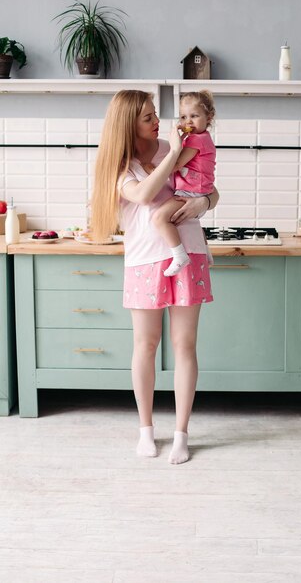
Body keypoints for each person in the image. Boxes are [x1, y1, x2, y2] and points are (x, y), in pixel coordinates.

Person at [90, 90, 219, 465]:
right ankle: (146, 430)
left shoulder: (172, 145)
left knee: (184, 346)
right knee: (145, 346)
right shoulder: (120, 167)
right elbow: (146, 194)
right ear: (128, 124)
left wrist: (204, 202)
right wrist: (174, 156)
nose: (158, 121)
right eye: (148, 117)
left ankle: (181, 434)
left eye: (155, 114)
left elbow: (211, 188)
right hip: (145, 260)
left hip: (189, 252)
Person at [152, 90, 216, 276]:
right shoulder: (199, 138)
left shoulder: (197, 140)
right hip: (198, 190)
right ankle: (207, 253)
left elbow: (176, 164)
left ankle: (179, 255)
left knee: (160, 218)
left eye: (194, 116)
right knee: (192, 221)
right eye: (183, 116)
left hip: (192, 192)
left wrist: (174, 147)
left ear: (209, 117)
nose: (188, 122)